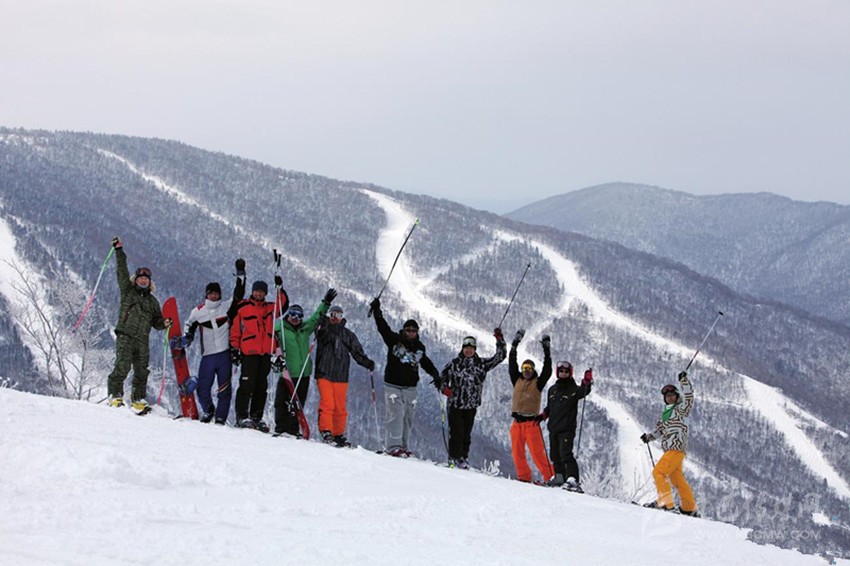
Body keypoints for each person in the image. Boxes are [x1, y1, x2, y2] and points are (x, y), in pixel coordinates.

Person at [369, 297, 441, 457]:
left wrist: (435, 374)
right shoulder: (394, 340)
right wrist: (377, 312)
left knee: (408, 417)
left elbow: (425, 362)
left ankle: (403, 446)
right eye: (408, 330)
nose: (411, 333)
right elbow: (383, 328)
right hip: (393, 385)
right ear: (404, 330)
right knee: (396, 415)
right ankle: (393, 446)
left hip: (410, 388)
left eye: (414, 331)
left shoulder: (419, 347)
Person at [106, 237, 171, 413]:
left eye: (146, 279)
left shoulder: (153, 302)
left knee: (142, 371)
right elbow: (121, 270)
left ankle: (138, 399)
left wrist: (164, 323)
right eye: (140, 278)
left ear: (150, 282)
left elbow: (157, 322)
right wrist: (119, 250)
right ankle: (115, 395)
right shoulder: (127, 292)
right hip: (126, 336)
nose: (143, 281)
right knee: (122, 366)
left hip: (142, 340)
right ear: (135, 280)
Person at [178, 258, 246, 424]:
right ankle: (209, 410)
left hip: (224, 355)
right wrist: (187, 337)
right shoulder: (198, 312)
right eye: (211, 293)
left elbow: (238, 294)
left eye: (216, 293)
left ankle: (221, 418)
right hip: (208, 356)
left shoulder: (226, 308)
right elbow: (189, 325)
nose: (214, 296)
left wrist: (241, 274)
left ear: (220, 295)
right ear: (206, 295)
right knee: (203, 388)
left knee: (224, 390)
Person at [271, 288, 336, 436]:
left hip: (303, 374)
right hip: (287, 372)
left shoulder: (305, 329)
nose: (295, 318)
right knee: (281, 401)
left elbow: (316, 317)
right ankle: (281, 428)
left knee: (298, 404)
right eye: (293, 314)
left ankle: (293, 430)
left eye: (299, 316)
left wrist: (325, 303)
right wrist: (274, 357)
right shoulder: (280, 329)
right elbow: (270, 341)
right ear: (288, 315)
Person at [439, 330, 507, 469]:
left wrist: (500, 340)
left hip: (471, 406)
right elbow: (441, 379)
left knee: (466, 435)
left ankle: (462, 458)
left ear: (475, 350)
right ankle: (453, 458)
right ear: (462, 349)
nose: (469, 351)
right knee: (456, 433)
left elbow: (499, 357)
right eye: (466, 348)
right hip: (455, 404)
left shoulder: (481, 364)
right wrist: (444, 388)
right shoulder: (454, 364)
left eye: (471, 348)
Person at [229, 273, 288, 432]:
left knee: (261, 386)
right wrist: (234, 349)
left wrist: (280, 288)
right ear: (252, 291)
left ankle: (256, 416)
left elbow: (283, 305)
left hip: (265, 353)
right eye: (256, 291)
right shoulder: (243, 307)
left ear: (265, 293)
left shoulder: (270, 308)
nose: (259, 294)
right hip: (249, 352)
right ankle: (241, 416)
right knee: (247, 384)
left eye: (262, 291)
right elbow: (235, 330)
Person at [314, 304, 376, 447]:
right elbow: (320, 333)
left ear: (342, 317)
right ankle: (326, 430)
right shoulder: (324, 329)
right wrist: (322, 320)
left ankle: (338, 434)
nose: (335, 318)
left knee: (340, 406)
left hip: (341, 376)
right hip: (324, 373)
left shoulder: (347, 335)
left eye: (339, 315)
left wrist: (366, 362)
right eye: (333, 315)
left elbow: (356, 351)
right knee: (328, 403)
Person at [640, 370, 699, 516]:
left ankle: (666, 504)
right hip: (671, 450)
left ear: (677, 396)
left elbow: (689, 396)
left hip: (676, 448)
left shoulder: (681, 409)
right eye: (667, 396)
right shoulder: (665, 415)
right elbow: (659, 431)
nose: (670, 397)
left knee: (659, 472)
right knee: (677, 479)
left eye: (672, 395)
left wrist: (684, 380)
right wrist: (649, 437)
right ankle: (689, 508)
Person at [507, 329, 554, 484]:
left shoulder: (538, 383)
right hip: (517, 423)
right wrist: (514, 346)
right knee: (517, 453)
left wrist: (546, 351)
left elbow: (547, 371)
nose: (526, 371)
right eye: (524, 368)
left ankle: (550, 477)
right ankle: (524, 477)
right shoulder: (517, 380)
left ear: (533, 370)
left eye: (529, 369)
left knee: (537, 454)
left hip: (531, 423)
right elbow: (511, 364)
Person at [540, 361, 593, 491]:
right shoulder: (552, 390)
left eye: (566, 372)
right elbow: (549, 407)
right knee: (555, 455)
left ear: (570, 373)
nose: (563, 374)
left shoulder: (573, 389)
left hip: (567, 428)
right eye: (561, 371)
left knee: (566, 453)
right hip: (553, 427)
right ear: (557, 373)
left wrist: (586, 382)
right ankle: (559, 477)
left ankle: (572, 479)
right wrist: (543, 416)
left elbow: (583, 391)